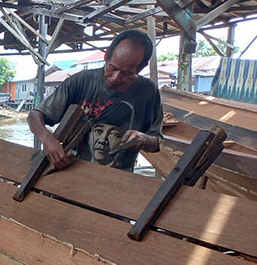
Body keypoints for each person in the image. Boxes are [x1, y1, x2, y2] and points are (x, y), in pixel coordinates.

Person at [28, 29, 163, 172]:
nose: (116, 78)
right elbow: (34, 116)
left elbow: (156, 142)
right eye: (113, 68)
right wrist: (48, 139)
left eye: (127, 73)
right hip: (71, 173)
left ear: (141, 68)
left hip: (119, 178)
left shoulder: (148, 92)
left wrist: (144, 140)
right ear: (106, 55)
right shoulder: (81, 81)